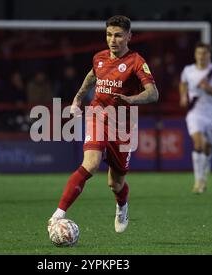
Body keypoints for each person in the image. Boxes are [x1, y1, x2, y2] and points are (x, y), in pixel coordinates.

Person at [48, 15, 159, 233]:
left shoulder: (137, 61)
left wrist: (131, 100)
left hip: (123, 126)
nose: (113, 40)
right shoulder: (99, 58)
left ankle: (122, 205)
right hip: (97, 117)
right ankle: (57, 215)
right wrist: (79, 98)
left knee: (115, 183)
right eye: (109, 35)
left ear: (129, 36)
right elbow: (92, 76)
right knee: (90, 164)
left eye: (118, 35)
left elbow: (153, 93)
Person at [179, 42, 212, 194]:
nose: (201, 56)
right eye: (199, 53)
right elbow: (183, 83)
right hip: (195, 114)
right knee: (199, 144)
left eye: (204, 53)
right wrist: (183, 95)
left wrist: (209, 88)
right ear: (195, 54)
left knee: (208, 148)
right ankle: (198, 180)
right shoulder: (188, 70)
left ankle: (203, 176)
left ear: (209, 55)